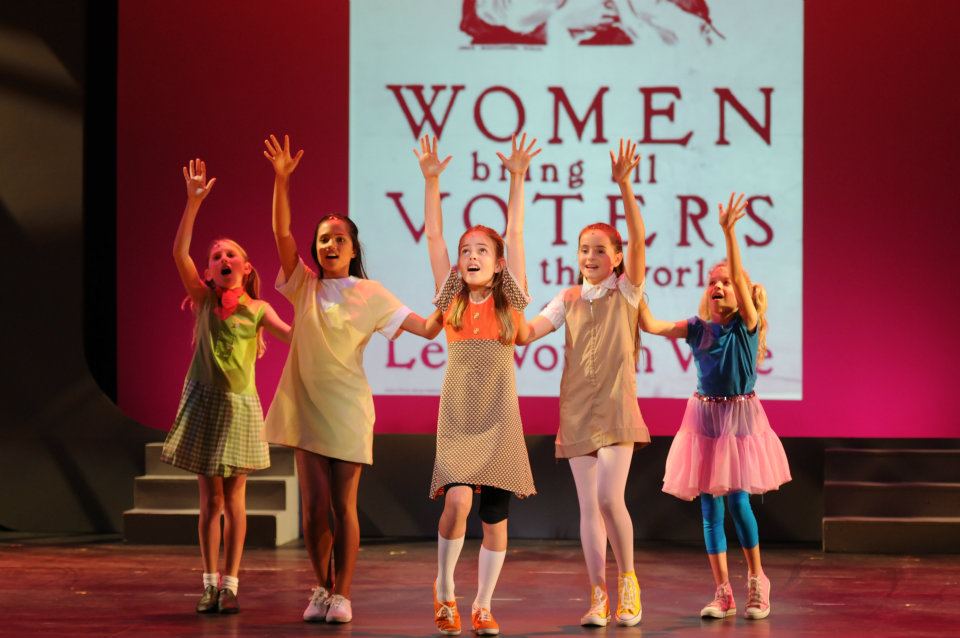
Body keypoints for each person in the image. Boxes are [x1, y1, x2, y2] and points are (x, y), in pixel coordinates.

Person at [261, 134, 441, 624]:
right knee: (313, 508)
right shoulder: (303, 285)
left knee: (343, 507)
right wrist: (282, 180)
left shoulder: (370, 292)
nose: (331, 244)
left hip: (347, 410)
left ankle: (342, 593)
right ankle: (321, 588)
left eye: (340, 238)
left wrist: (454, 296)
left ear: (353, 247)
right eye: (324, 238)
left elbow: (427, 329)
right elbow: (281, 233)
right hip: (304, 406)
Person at [640, 193, 791, 620]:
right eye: (713, 282)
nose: (719, 287)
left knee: (738, 502)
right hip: (704, 417)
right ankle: (722, 591)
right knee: (709, 508)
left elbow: (739, 280)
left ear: (741, 294)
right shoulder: (697, 328)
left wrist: (728, 233)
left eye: (726, 282)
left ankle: (757, 580)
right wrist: (631, 285)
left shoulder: (746, 325)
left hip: (739, 419)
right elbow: (651, 325)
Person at [518, 139, 650, 626]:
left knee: (609, 499)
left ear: (616, 257)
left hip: (616, 408)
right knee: (588, 508)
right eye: (584, 249)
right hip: (575, 412)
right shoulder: (568, 297)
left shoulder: (627, 292)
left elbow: (638, 238)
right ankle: (598, 594)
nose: (590, 256)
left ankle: (628, 583)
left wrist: (624, 185)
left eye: (600, 250)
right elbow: (526, 333)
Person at [414, 133, 539, 636]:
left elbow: (516, 231)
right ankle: (445, 588)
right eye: (466, 250)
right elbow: (434, 238)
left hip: (500, 412)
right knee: (458, 500)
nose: (470, 255)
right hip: (461, 411)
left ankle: (483, 604)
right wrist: (432, 181)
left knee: (494, 517)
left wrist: (516, 177)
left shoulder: (509, 299)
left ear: (498, 261)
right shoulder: (452, 297)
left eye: (481, 250)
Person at [161, 158, 291, 615]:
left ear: (246, 267)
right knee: (209, 500)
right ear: (210, 272)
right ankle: (209, 582)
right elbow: (180, 254)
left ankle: (231, 583)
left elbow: (294, 336)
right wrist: (193, 203)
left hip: (240, 407)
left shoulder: (257, 309)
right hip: (204, 402)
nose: (222, 260)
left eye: (230, 255)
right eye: (216, 257)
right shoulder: (203, 300)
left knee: (235, 499)